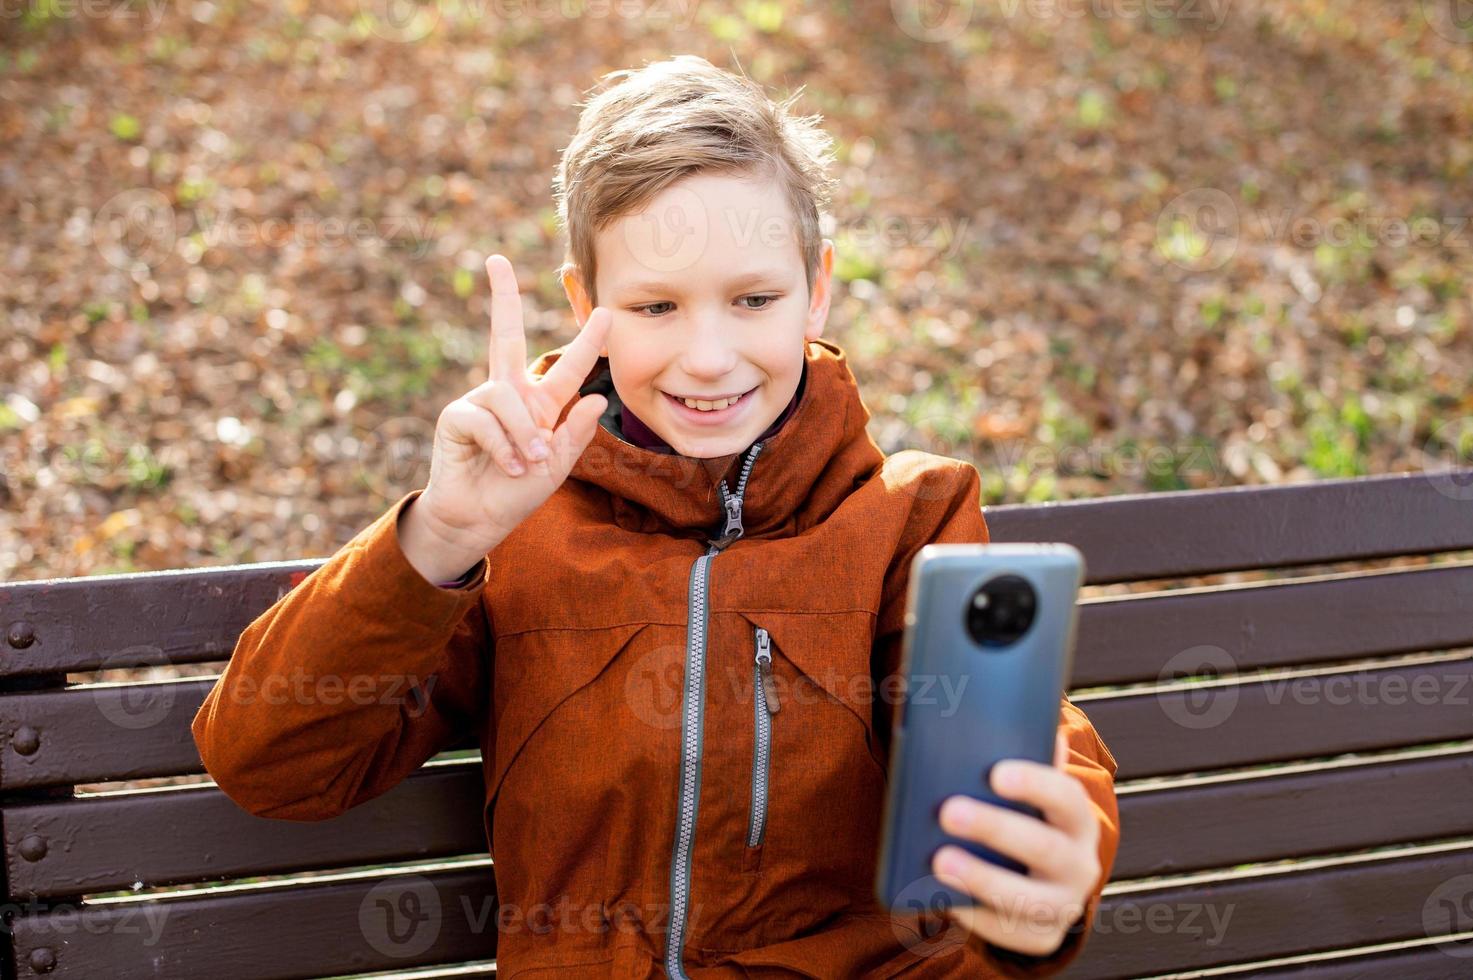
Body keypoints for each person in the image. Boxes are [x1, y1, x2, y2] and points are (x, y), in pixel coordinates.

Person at [192, 54, 1119, 978]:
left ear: (817, 288)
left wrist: (1040, 874)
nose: (708, 357)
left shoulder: (906, 518)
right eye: (655, 305)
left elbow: (1010, 739)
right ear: (585, 304)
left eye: (754, 299)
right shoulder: (515, 529)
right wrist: (440, 535)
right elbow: (270, 766)